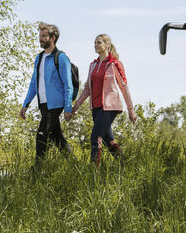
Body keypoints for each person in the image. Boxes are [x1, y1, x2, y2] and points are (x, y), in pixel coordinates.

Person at [73, 34, 136, 165]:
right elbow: (87, 89)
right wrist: (77, 104)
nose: (95, 45)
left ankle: (93, 172)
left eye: (99, 42)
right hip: (95, 108)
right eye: (95, 43)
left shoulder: (114, 64)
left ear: (107, 45)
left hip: (110, 107)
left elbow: (124, 87)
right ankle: (126, 165)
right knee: (109, 140)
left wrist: (131, 110)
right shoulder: (93, 65)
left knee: (95, 137)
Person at [20, 22, 74, 165]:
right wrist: (25, 104)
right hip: (43, 103)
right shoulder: (39, 58)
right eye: (40, 36)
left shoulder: (61, 58)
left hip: (55, 104)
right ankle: (75, 166)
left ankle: (36, 172)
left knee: (41, 135)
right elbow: (33, 83)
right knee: (57, 138)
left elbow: (68, 85)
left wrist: (68, 108)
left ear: (52, 38)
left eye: (44, 36)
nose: (41, 38)